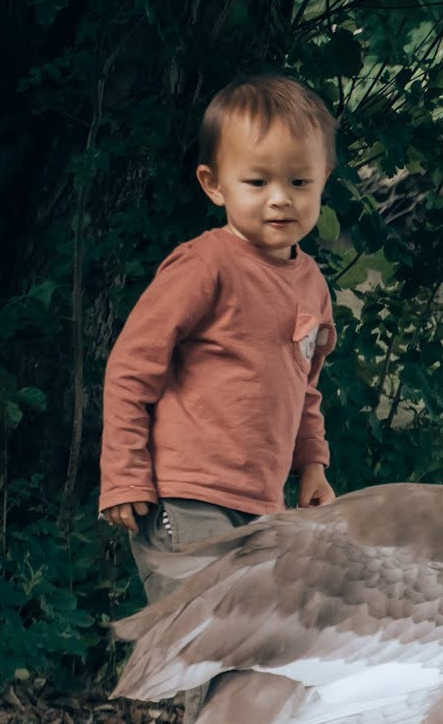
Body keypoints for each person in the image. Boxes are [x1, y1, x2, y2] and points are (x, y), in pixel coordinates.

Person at [99, 74, 340, 603]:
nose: (280, 200)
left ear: (323, 179)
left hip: (262, 501)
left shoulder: (312, 284)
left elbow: (304, 391)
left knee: (250, 638)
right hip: (186, 494)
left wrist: (313, 468)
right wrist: (124, 474)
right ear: (214, 185)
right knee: (204, 635)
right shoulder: (205, 265)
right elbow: (130, 368)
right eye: (257, 183)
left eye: (299, 183)